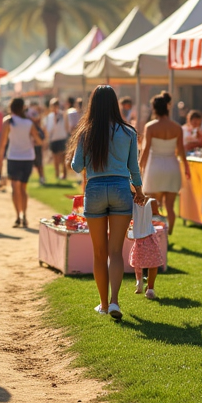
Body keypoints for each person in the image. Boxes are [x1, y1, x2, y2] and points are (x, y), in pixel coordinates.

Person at [70, 85, 144, 320]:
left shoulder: (86, 132)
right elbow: (134, 168)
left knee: (99, 252)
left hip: (95, 190)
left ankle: (103, 304)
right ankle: (114, 302)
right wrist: (139, 191)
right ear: (115, 104)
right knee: (116, 252)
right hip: (122, 189)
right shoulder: (128, 132)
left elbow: (76, 166)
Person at [138, 92, 189, 239]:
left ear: (154, 109)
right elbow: (181, 150)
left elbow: (146, 150)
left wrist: (139, 169)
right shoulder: (177, 127)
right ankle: (168, 236)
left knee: (153, 206)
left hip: (155, 167)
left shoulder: (151, 127)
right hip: (172, 167)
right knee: (170, 207)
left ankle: (156, 236)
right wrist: (185, 167)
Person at [0, 98, 35, 228]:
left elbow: (2, 143)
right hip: (28, 158)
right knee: (23, 188)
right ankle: (24, 215)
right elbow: (39, 139)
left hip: (14, 157)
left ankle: (18, 216)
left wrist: (0, 158)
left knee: (15, 188)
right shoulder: (28, 122)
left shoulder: (8, 121)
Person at [130, 197, 163, 300]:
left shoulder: (130, 203)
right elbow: (157, 214)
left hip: (138, 238)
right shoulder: (151, 201)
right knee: (153, 264)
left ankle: (139, 281)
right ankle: (150, 289)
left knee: (137, 262)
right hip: (149, 238)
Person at [45, 98, 70, 181]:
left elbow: (67, 126)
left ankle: (64, 174)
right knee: (55, 158)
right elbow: (49, 129)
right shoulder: (49, 117)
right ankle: (57, 174)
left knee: (63, 158)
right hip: (54, 139)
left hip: (62, 138)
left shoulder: (63, 114)